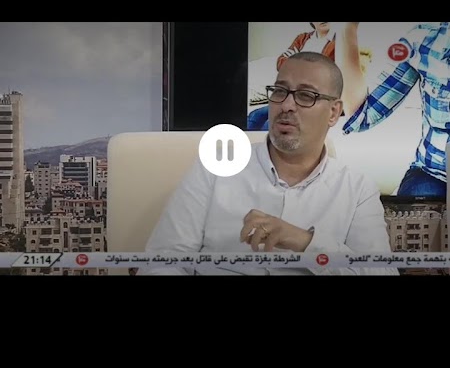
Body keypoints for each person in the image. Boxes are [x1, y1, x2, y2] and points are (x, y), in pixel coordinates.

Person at [144, 52, 398, 276]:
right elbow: (162, 262)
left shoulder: (357, 189)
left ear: (333, 112)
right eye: (279, 91)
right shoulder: (215, 169)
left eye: (305, 96)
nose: (286, 105)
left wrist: (305, 242)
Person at [337, 22, 449, 197]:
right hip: (434, 173)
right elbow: (363, 115)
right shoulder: (425, 39)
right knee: (413, 209)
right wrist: (347, 28)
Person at [248, 23, 336, 130]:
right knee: (255, 116)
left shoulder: (337, 43)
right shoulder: (303, 38)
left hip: (309, 98)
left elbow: (323, 73)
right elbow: (281, 62)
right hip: (291, 93)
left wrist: (295, 63)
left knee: (269, 125)